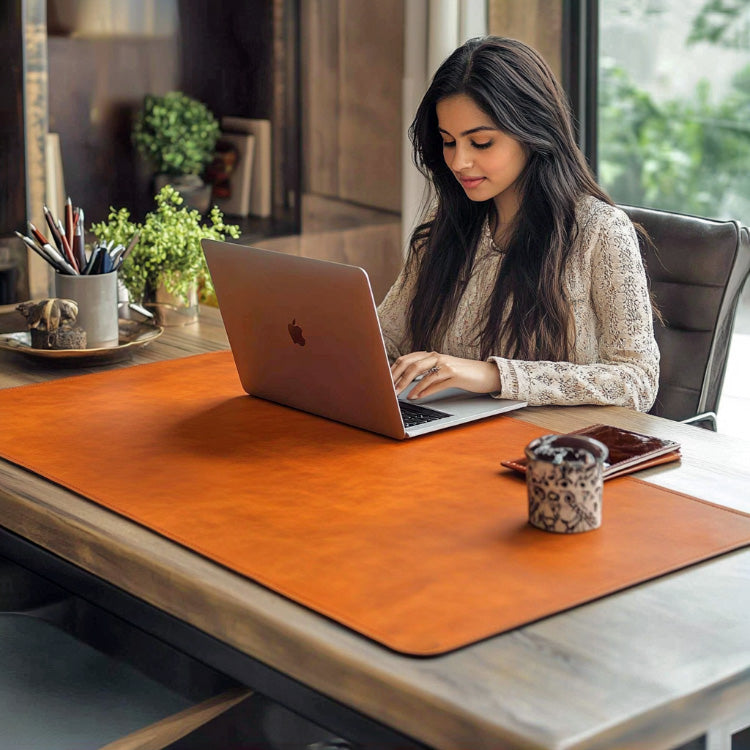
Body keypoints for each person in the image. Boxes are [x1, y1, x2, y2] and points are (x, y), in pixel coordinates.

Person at [378, 36, 659, 411]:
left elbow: (637, 381)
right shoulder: (447, 223)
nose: (459, 162)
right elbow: (386, 338)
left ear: (532, 132)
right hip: (450, 441)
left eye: (480, 143)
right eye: (448, 142)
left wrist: (495, 376)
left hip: (546, 448)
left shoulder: (601, 231)